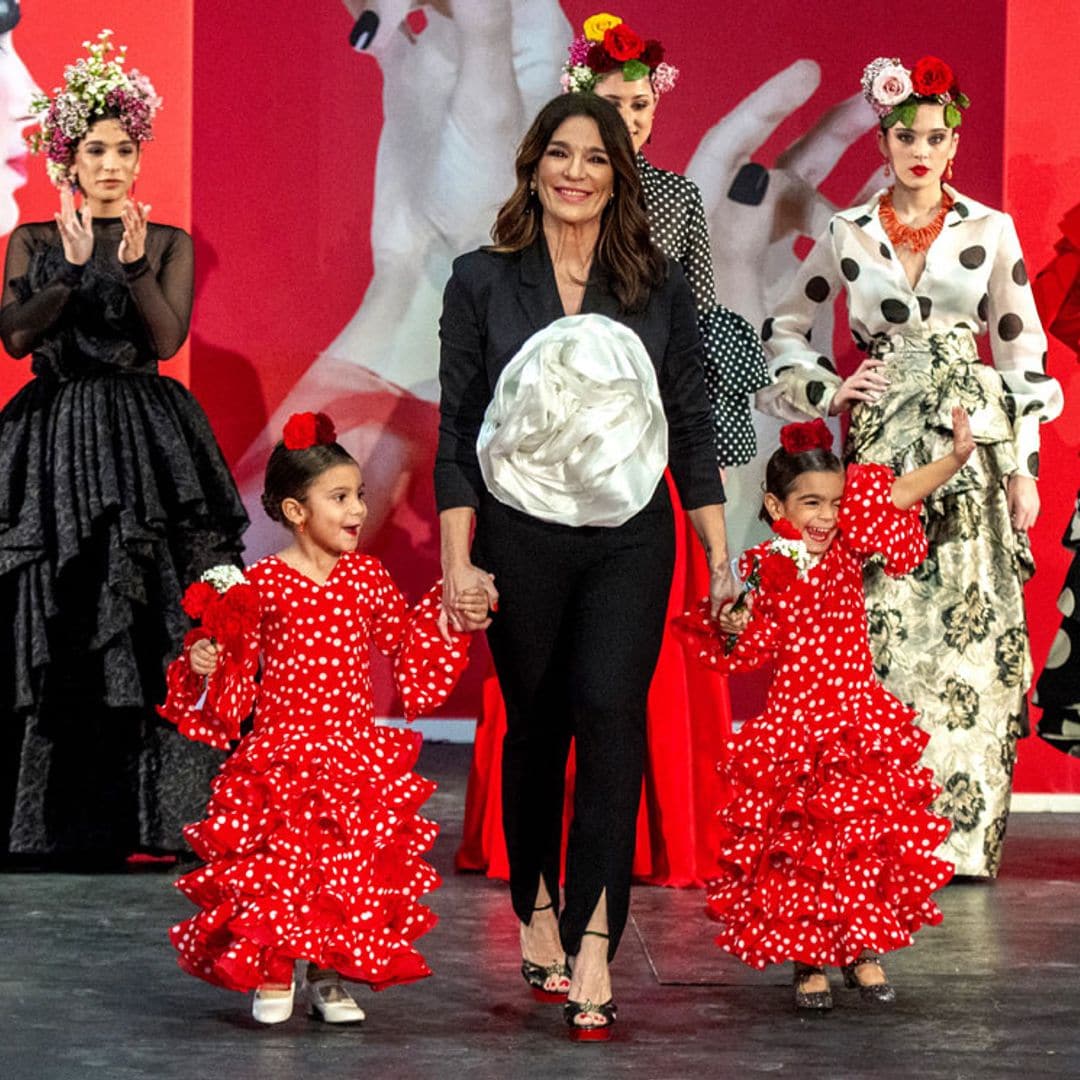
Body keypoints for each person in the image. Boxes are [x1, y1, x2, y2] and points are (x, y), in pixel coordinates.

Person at [436, 92, 735, 1039]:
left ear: (619, 174)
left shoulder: (657, 283)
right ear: (533, 166)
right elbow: (456, 430)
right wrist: (457, 562)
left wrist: (721, 559)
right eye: (558, 155)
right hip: (519, 536)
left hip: (631, 536)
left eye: (595, 158)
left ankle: (596, 942)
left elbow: (689, 424)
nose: (575, 172)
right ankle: (535, 906)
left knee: (611, 710)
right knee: (538, 727)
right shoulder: (481, 280)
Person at [457, 10, 769, 889]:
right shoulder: (518, 240)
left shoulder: (671, 205)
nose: (624, 125)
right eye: (607, 108)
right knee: (540, 705)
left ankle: (638, 863)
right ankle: (541, 889)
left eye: (638, 108)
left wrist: (715, 512)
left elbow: (695, 340)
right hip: (534, 483)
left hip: (638, 471)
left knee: (625, 694)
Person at [756, 55, 1064, 877]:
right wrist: (828, 383)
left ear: (954, 144)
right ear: (884, 141)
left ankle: (960, 840)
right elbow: (784, 324)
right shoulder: (848, 232)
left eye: (936, 136)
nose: (920, 149)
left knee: (971, 631)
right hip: (884, 437)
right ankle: (884, 828)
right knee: (884, 632)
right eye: (905, 135)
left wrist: (1022, 467)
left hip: (969, 440)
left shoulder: (990, 229)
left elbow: (1022, 346)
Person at [0, 31, 248, 864]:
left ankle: (162, 820)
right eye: (95, 149)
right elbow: (14, 341)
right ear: (67, 160)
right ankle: (48, 825)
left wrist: (135, 265)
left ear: (139, 160)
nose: (111, 163)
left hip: (146, 438)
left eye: (124, 149)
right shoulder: (33, 240)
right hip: (53, 438)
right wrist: (67, 272)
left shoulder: (166, 240)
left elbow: (168, 338)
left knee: (152, 613)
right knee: (55, 609)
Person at [159, 412, 483, 1024]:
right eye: (340, 498)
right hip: (283, 751)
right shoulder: (266, 584)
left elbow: (406, 645)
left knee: (343, 871)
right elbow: (238, 665)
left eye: (359, 494)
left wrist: (449, 613)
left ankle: (329, 977)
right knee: (283, 869)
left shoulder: (367, 578)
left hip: (350, 753)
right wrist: (207, 655)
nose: (358, 508)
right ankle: (277, 971)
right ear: (295, 510)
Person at [676, 411, 974, 1010]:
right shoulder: (764, 566)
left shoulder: (846, 549)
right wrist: (736, 624)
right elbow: (756, 644)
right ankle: (809, 959)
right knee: (805, 846)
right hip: (798, 722)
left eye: (835, 503)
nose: (826, 516)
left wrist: (955, 461)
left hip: (854, 717)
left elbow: (897, 492)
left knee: (859, 840)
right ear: (775, 504)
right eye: (811, 503)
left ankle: (861, 950)